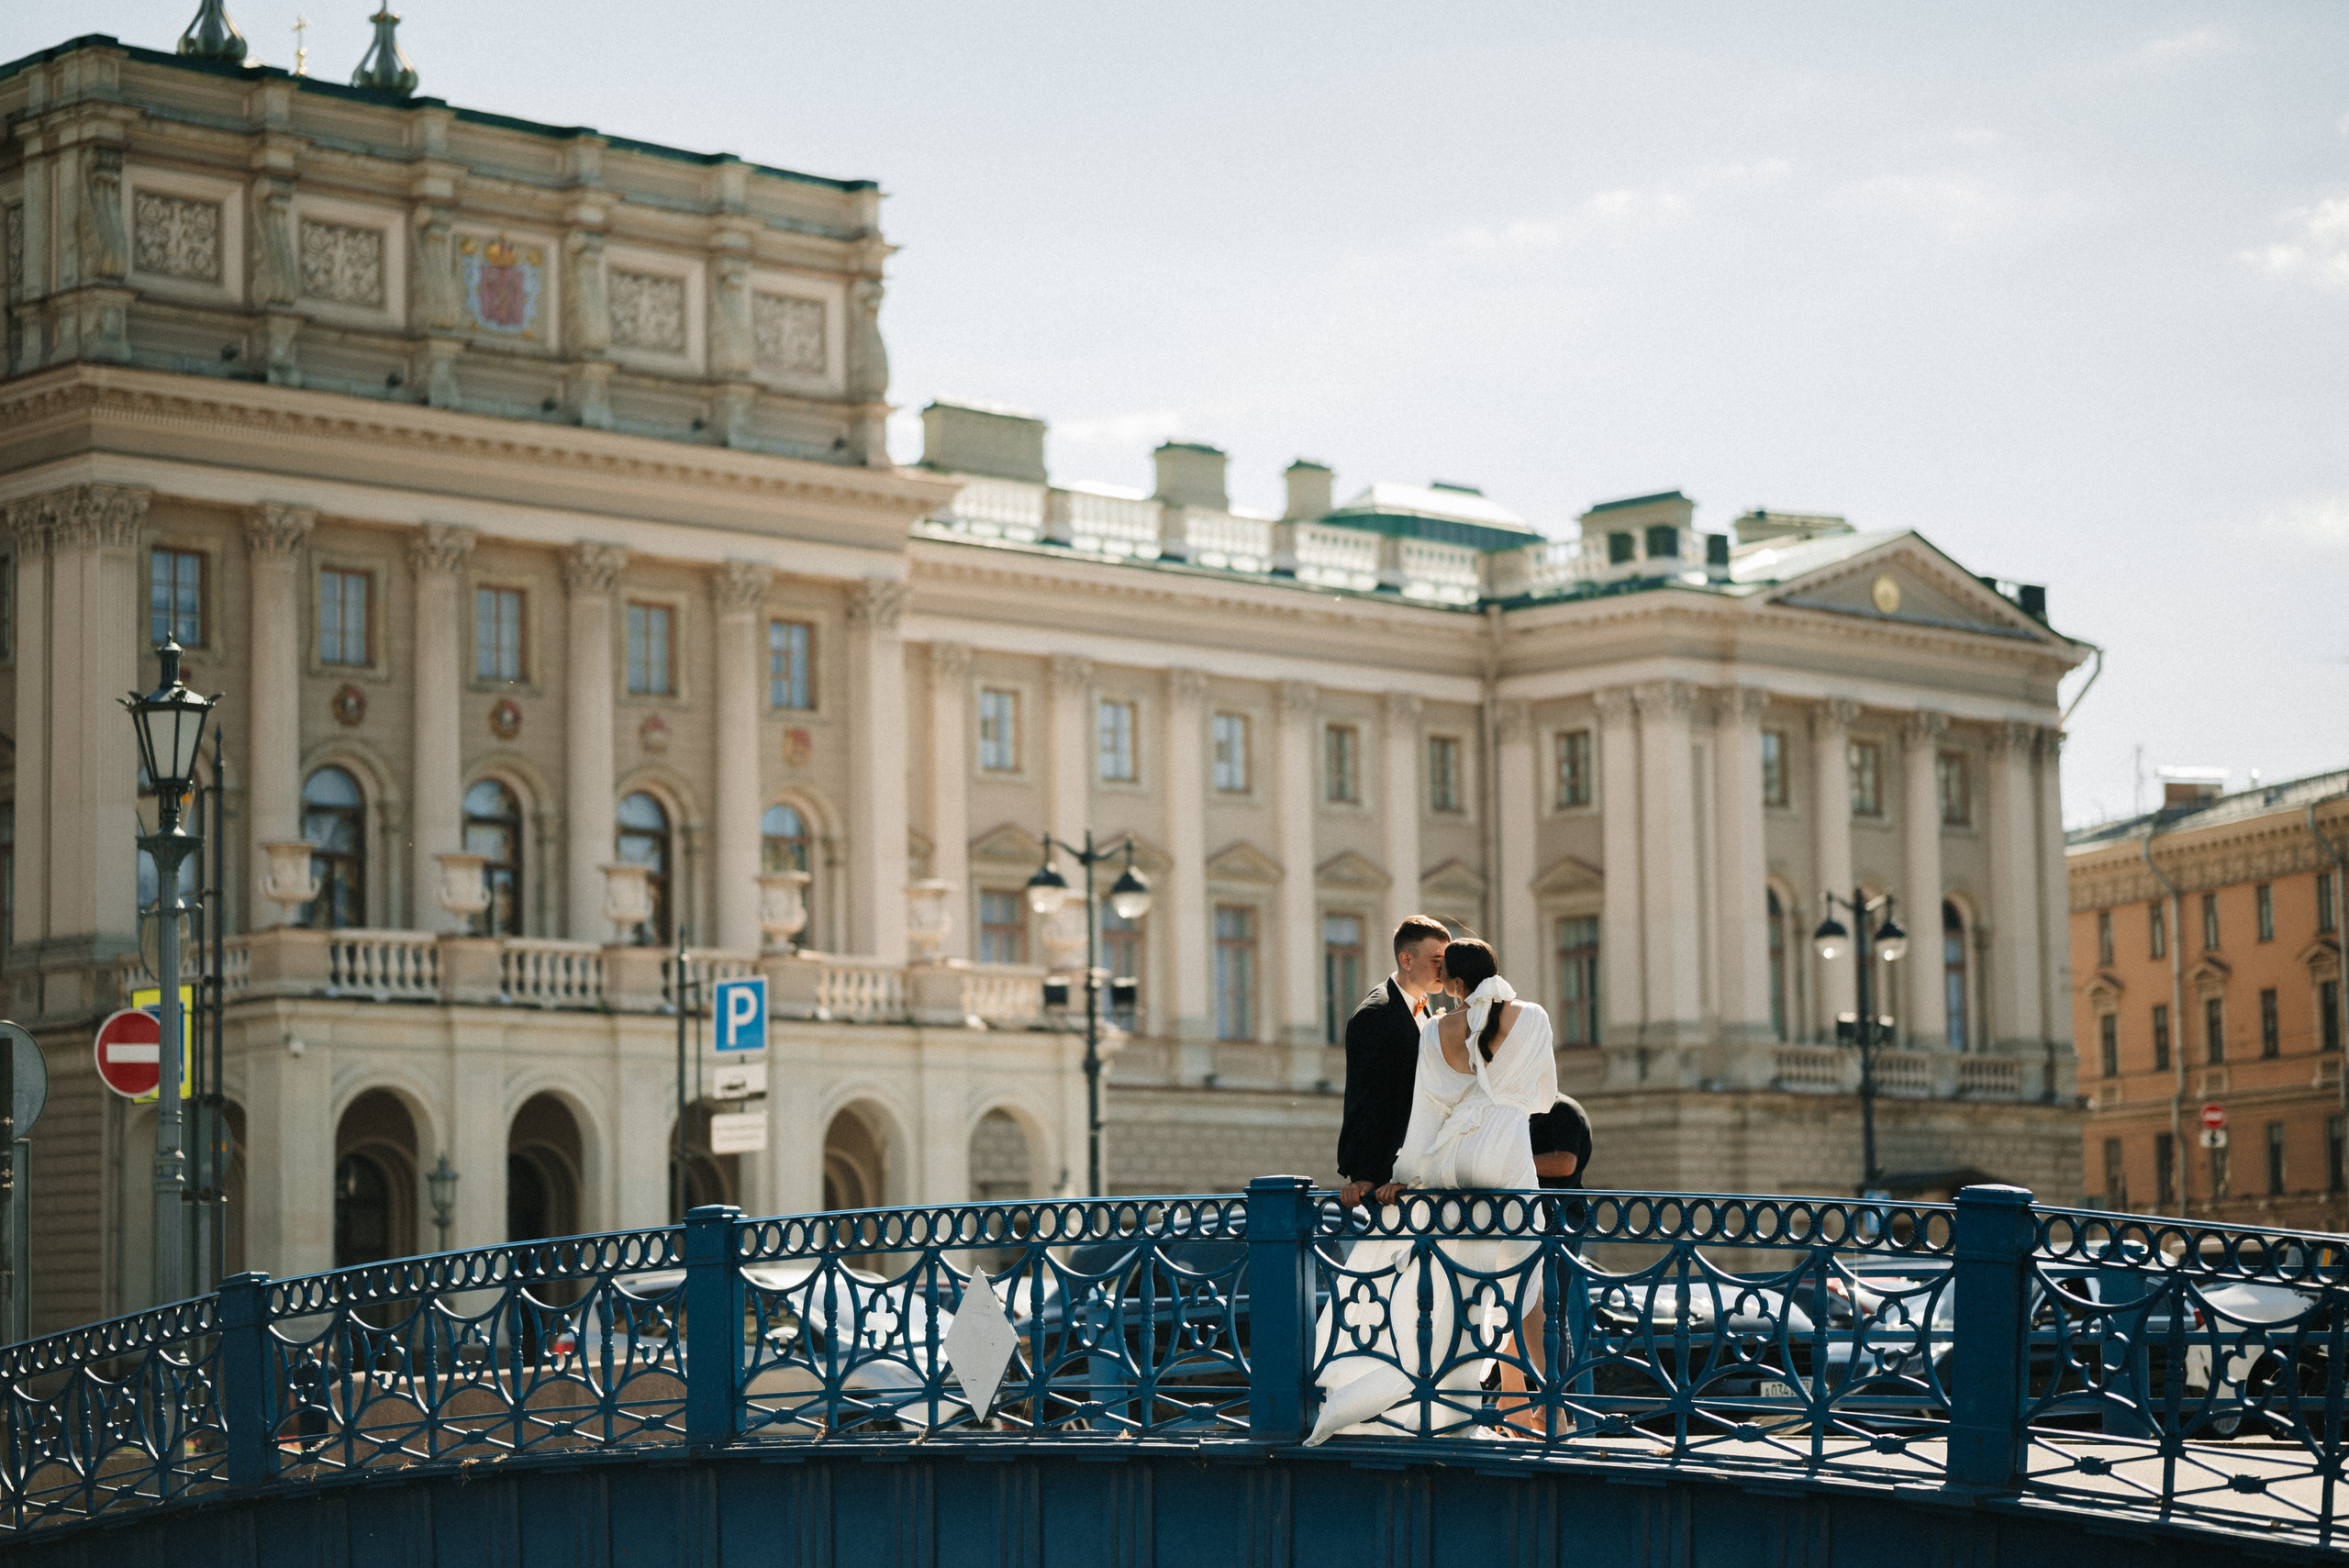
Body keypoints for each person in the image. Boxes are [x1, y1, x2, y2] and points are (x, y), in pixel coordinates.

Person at [1308, 939, 1556, 1446]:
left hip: (1452, 1159)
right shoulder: (1531, 1017)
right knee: (1526, 1277)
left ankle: (1441, 1399)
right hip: (1504, 1150)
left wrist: (1406, 1176)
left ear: (1457, 984)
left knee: (1451, 1278)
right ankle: (1549, 1407)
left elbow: (1426, 1115)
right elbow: (1542, 1097)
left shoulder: (1435, 1030)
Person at [1335, 916, 1452, 1209]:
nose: (1444, 969)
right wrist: (1367, 1175)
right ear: (1407, 960)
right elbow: (1370, 1101)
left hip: (1421, 1169)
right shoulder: (1374, 1015)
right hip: (1386, 1181)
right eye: (1437, 960)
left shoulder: (1426, 1010)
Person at [1527, 1095, 1592, 1189]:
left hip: (1556, 1196)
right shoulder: (1534, 1110)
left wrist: (1514, 1165)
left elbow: (1565, 1164)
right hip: (1538, 1195)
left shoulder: (1562, 1108)